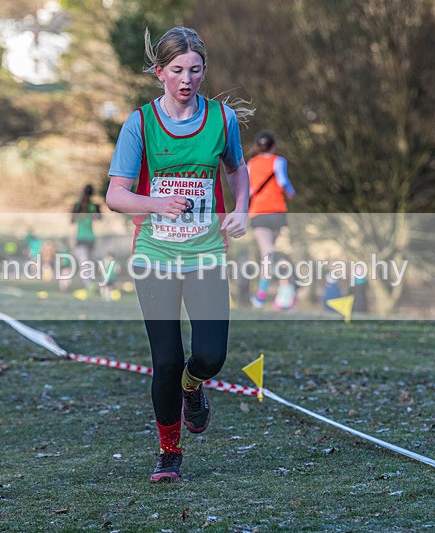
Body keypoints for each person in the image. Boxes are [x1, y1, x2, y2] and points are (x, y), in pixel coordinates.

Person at [106, 27, 250, 483]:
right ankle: (170, 452)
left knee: (209, 356)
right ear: (160, 72)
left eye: (195, 70)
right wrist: (155, 204)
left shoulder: (222, 119)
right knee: (165, 360)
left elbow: (238, 169)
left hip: (206, 251)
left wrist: (243, 208)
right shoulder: (140, 123)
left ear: (204, 70)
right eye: (177, 71)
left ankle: (194, 388)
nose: (186, 79)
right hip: (155, 253)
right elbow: (115, 195)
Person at [246, 131, 295, 308]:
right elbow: (283, 182)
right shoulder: (279, 161)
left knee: (267, 253)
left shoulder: (251, 164)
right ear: (273, 146)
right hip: (277, 211)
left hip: (258, 212)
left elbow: (250, 191)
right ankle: (284, 294)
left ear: (257, 147)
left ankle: (261, 295)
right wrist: (291, 193)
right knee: (276, 253)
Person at [71, 184, 102, 294]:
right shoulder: (93, 206)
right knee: (88, 262)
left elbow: (72, 220)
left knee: (84, 263)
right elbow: (99, 218)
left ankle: (89, 285)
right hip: (91, 239)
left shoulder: (77, 206)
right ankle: (91, 283)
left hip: (81, 239)